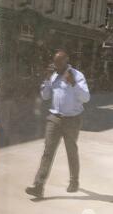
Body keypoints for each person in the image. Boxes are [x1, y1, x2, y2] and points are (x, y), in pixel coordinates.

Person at [26, 50, 90, 198]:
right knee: (48, 152)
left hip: (72, 119)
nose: (57, 66)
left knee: (71, 151)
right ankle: (38, 186)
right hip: (54, 118)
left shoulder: (77, 76)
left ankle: (74, 181)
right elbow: (45, 95)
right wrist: (47, 79)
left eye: (60, 63)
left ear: (66, 61)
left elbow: (86, 98)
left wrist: (74, 84)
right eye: (55, 63)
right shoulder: (53, 75)